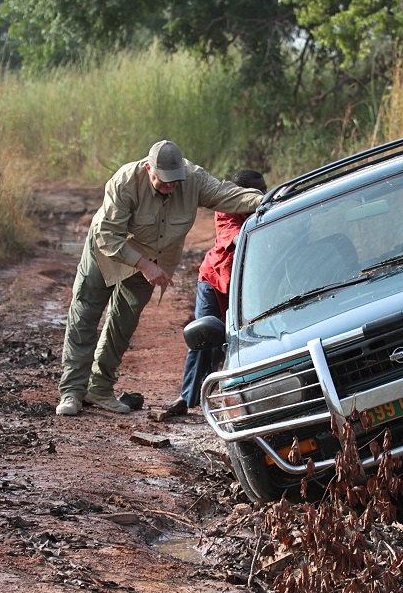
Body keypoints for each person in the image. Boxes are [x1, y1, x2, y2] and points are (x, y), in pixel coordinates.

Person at [56, 141, 264, 416]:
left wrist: (268, 199)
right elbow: (107, 236)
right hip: (107, 252)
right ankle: (72, 391)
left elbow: (228, 195)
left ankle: (100, 388)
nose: (170, 185)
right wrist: (144, 265)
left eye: (174, 180)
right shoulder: (126, 181)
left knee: (123, 323)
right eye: (163, 180)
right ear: (148, 168)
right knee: (85, 315)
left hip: (154, 257)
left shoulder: (192, 178)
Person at [166, 169, 268, 416]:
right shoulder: (225, 208)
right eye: (257, 191)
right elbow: (236, 238)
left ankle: (236, 399)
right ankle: (186, 397)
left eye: (264, 189)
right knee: (203, 337)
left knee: (239, 343)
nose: (263, 195)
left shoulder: (267, 209)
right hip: (213, 281)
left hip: (245, 289)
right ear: (241, 193)